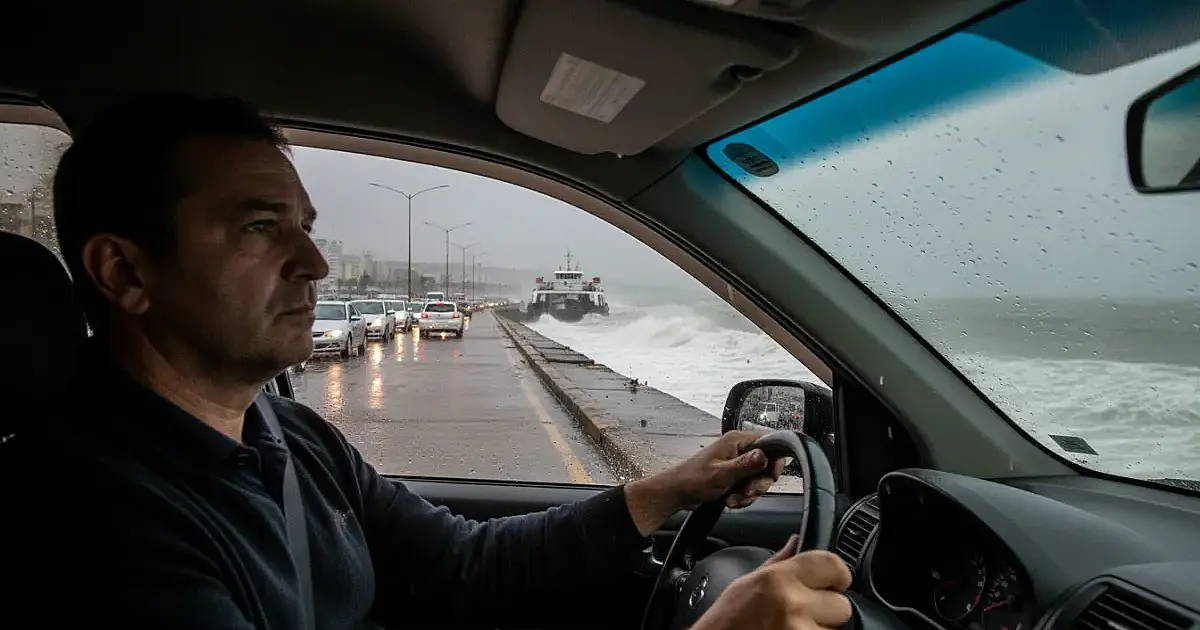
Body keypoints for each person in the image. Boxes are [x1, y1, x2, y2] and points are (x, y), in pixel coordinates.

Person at [1, 93, 853, 630]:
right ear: (126, 274)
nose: (315, 263)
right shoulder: (90, 520)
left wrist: (670, 488)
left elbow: (462, 566)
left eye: (306, 226)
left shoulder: (289, 435)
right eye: (261, 227)